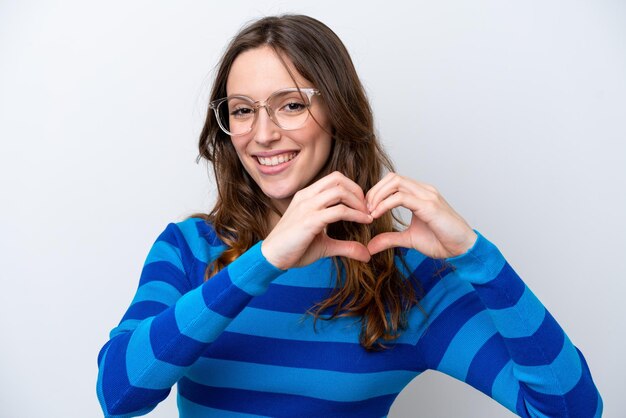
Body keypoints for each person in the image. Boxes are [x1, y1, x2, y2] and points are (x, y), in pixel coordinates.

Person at [96, 14, 602, 418]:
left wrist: (477, 257)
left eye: (290, 105)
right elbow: (119, 395)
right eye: (243, 109)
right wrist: (265, 260)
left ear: (338, 112)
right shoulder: (189, 249)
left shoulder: (407, 279)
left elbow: (572, 410)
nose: (263, 134)